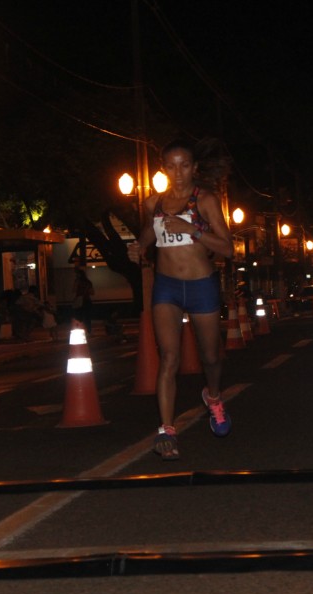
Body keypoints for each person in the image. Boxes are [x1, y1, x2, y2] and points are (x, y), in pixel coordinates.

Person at [127, 138, 235, 461]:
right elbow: (151, 231)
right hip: (167, 287)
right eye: (171, 166)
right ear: (163, 169)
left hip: (201, 285)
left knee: (211, 357)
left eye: (184, 165)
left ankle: (213, 397)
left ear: (194, 168)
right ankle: (166, 430)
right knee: (169, 359)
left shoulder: (205, 200)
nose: (178, 172)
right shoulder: (153, 203)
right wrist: (138, 246)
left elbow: (227, 248)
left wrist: (193, 230)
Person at [72, 267, 95, 335]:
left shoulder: (78, 281)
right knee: (87, 317)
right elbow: (92, 292)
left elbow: (73, 290)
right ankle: (89, 331)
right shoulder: (88, 282)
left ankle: (80, 330)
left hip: (80, 301)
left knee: (78, 317)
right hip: (87, 300)